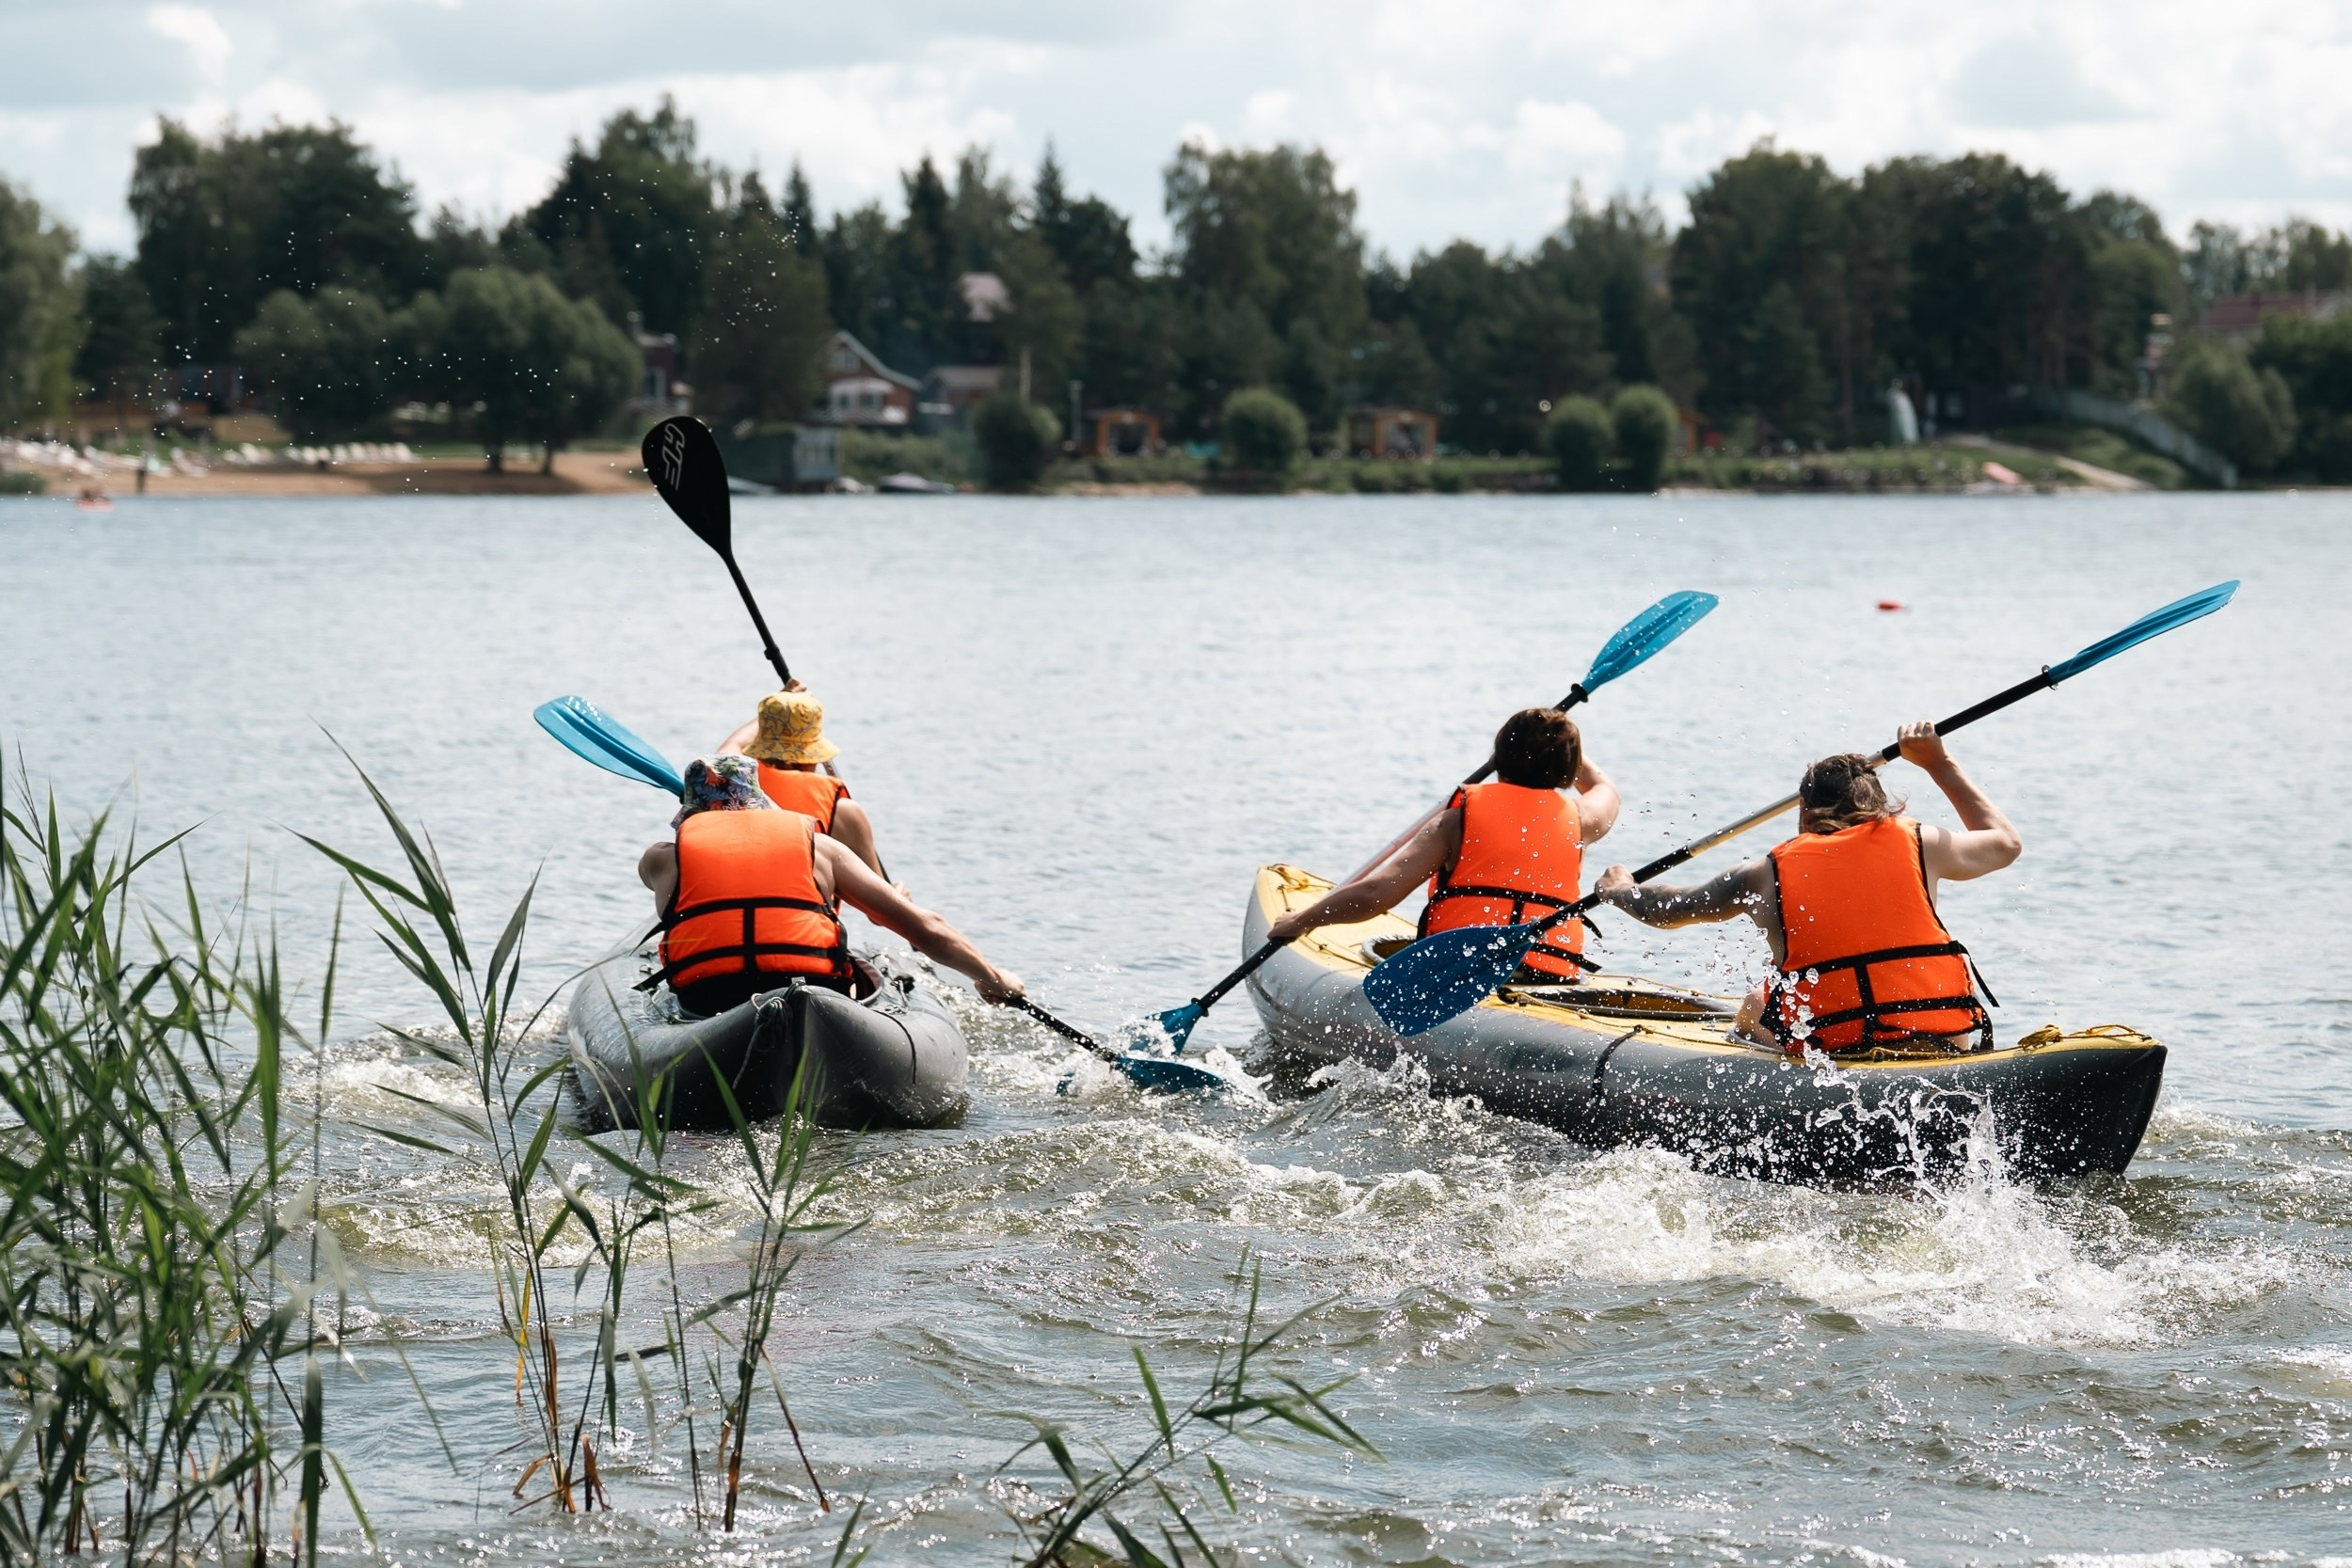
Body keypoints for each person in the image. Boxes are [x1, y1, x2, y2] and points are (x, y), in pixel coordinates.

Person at [1594, 722, 2019, 1053]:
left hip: (1830, 1046)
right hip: (1939, 1035)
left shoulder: (1762, 874)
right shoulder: (1921, 842)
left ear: (1804, 812)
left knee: (1755, 1005)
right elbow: (2006, 843)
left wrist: (1621, 889)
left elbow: (1671, 908)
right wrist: (1938, 763)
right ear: (1880, 807)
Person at [638, 755, 1021, 1017]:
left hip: (708, 996)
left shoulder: (659, 858)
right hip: (812, 987)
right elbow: (929, 931)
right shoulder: (821, 848)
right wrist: (995, 979)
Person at [1265, 707, 1620, 980]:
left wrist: (1300, 922)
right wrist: (1559, 746)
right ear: (1567, 770)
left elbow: (1376, 894)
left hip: (1459, 969)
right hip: (1549, 972)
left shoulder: (1456, 822)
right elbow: (1603, 787)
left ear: (1498, 762)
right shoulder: (1581, 820)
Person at [716, 688, 888, 876]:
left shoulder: (734, 780)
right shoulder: (843, 810)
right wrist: (898, 891)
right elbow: (876, 892)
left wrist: (778, 712)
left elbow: (732, 745)